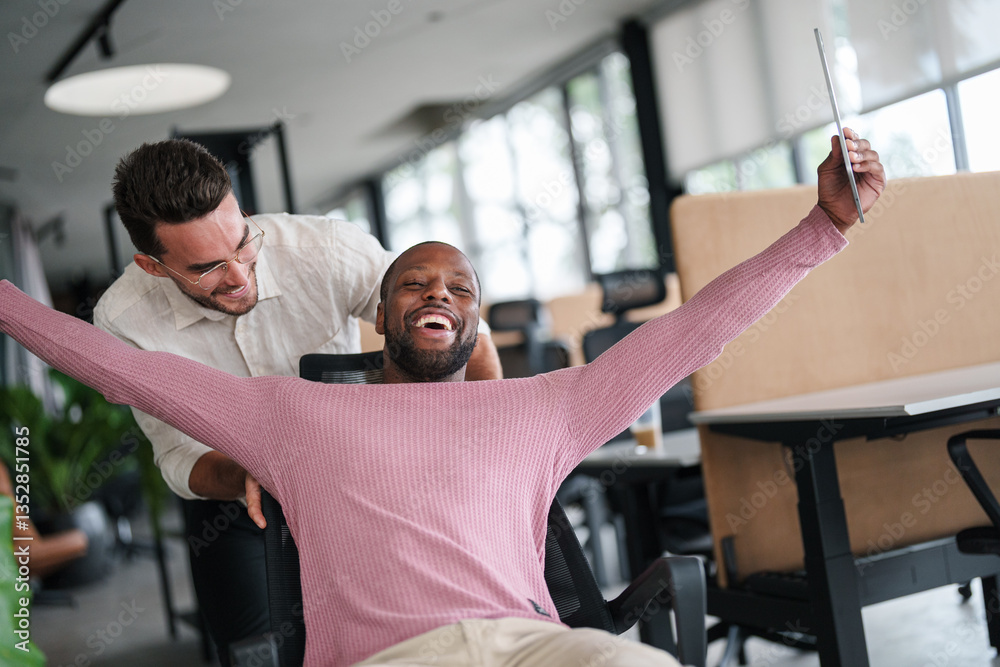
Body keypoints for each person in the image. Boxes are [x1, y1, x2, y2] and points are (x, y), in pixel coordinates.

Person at [0, 131, 884, 666]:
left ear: (476, 321)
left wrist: (824, 228)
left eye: (460, 289)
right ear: (376, 314)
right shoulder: (288, 410)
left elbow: (695, 328)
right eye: (416, 284)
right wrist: (255, 470)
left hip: (536, 643)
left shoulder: (539, 405)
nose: (438, 295)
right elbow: (111, 370)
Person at [93, 138, 502, 660]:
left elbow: (465, 332)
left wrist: (487, 447)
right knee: (257, 654)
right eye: (207, 268)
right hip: (243, 499)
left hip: (366, 476)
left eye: (243, 242)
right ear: (152, 266)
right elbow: (179, 457)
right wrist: (252, 474)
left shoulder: (327, 249)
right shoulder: (124, 322)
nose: (241, 278)